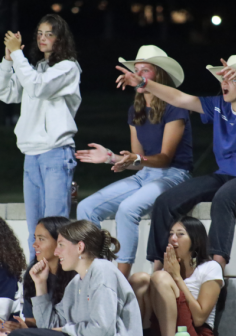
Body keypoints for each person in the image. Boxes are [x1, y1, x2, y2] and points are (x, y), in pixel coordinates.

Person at [116, 55, 236, 272]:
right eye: (222, 78)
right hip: (224, 175)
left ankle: (216, 266)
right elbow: (179, 99)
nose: (224, 83)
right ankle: (158, 268)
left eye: (230, 78)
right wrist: (143, 83)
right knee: (166, 201)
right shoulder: (219, 105)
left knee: (224, 198)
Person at [75, 45, 192, 278]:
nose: (137, 75)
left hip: (174, 174)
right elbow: (139, 161)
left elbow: (164, 158)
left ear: (159, 75)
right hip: (145, 175)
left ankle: (120, 279)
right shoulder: (135, 110)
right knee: (85, 207)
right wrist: (112, 157)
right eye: (135, 70)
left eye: (144, 70)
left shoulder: (175, 107)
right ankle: (96, 272)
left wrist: (136, 159)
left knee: (128, 209)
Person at [0, 14, 81, 260]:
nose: (43, 38)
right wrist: (8, 61)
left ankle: (57, 287)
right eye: (39, 33)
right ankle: (34, 290)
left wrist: (18, 57)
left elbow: (38, 86)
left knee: (54, 229)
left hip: (55, 152)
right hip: (31, 154)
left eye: (49, 34)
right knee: (35, 232)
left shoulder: (68, 68)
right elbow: (1, 90)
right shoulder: (35, 69)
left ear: (60, 38)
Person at [9, 220, 142, 336]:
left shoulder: (102, 270)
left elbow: (102, 330)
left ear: (80, 247)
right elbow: (47, 327)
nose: (56, 252)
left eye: (61, 245)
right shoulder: (75, 283)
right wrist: (40, 285)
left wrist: (65, 329)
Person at [129, 217, 223, 336]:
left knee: (160, 278)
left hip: (195, 331)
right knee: (139, 279)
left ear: (195, 241)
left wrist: (177, 277)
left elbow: (199, 319)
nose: (173, 239)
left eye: (180, 234)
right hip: (162, 328)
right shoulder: (166, 270)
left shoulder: (210, 267)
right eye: (171, 234)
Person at [0, 217, 77, 335]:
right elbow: (34, 322)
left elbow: (51, 327)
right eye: (35, 238)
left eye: (41, 239)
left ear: (60, 242)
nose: (35, 244)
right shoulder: (33, 274)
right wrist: (21, 326)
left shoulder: (76, 277)